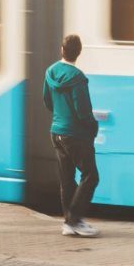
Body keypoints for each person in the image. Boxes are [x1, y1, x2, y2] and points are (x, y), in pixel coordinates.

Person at [45, 33, 100, 237]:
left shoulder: (50, 72)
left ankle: (69, 222)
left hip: (56, 132)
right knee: (91, 176)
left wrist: (61, 115)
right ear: (79, 52)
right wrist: (93, 127)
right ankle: (74, 219)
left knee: (67, 179)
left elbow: (47, 101)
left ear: (62, 50)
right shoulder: (77, 78)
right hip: (75, 134)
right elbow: (83, 111)